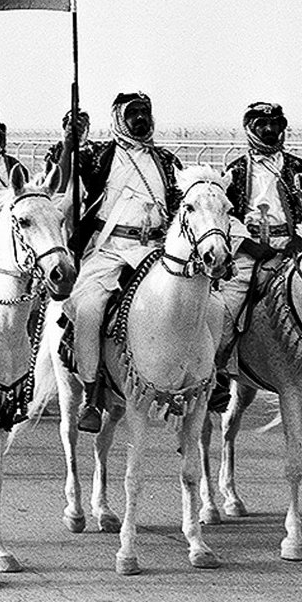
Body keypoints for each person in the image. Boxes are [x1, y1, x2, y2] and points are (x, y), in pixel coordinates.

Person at [59, 92, 183, 432]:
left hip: (157, 250)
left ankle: (201, 379)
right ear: (119, 118)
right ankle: (90, 392)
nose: (141, 118)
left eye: (146, 111)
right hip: (110, 249)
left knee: (206, 303)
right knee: (88, 309)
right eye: (134, 113)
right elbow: (64, 184)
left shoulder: (167, 160)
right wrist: (70, 144)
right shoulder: (98, 155)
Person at [218, 103, 302, 405]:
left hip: (294, 249)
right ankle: (219, 371)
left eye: (275, 124)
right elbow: (225, 217)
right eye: (261, 125)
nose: (269, 130)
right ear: (249, 129)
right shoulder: (235, 171)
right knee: (228, 305)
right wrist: (250, 245)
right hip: (250, 252)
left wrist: (300, 240)